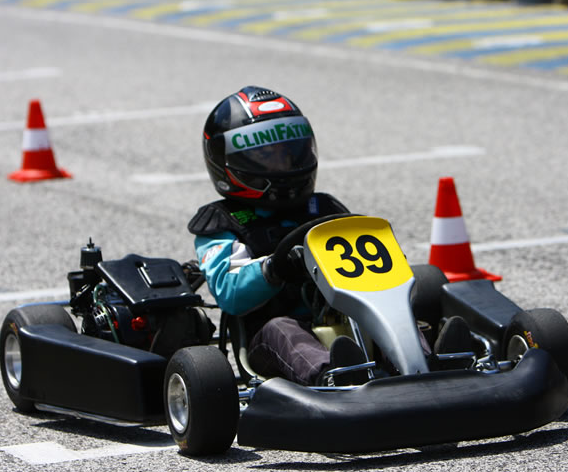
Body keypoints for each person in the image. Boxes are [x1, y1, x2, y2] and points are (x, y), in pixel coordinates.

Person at [189, 86, 467, 386]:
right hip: (271, 335)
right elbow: (230, 294)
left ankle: (428, 362)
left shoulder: (324, 207)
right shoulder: (221, 222)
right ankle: (333, 376)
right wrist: (274, 267)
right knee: (282, 329)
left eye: (288, 152)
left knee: (392, 314)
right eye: (266, 155)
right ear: (230, 163)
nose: (282, 163)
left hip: (346, 316)